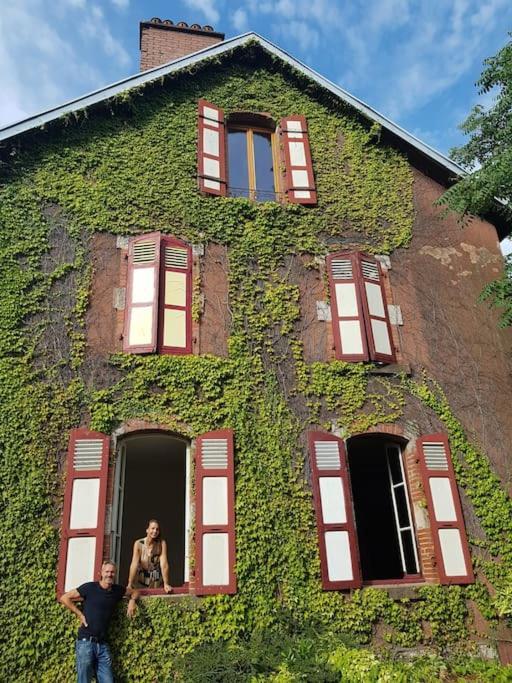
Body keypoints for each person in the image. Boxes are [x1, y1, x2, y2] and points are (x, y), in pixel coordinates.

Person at [60, 560, 139, 683]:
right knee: (84, 680)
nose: (109, 574)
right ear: (101, 573)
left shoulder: (117, 590)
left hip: (103, 645)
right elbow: (64, 598)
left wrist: (132, 601)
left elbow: (135, 592)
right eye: (107, 571)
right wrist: (79, 614)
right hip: (86, 643)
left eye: (112, 572)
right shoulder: (89, 588)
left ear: (115, 574)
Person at [128, 519, 173, 593]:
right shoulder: (138, 543)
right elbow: (134, 564)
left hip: (155, 580)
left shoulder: (161, 543)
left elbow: (164, 564)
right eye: (152, 528)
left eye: (157, 529)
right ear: (147, 530)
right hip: (141, 580)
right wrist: (129, 584)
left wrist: (166, 583)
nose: (155, 531)